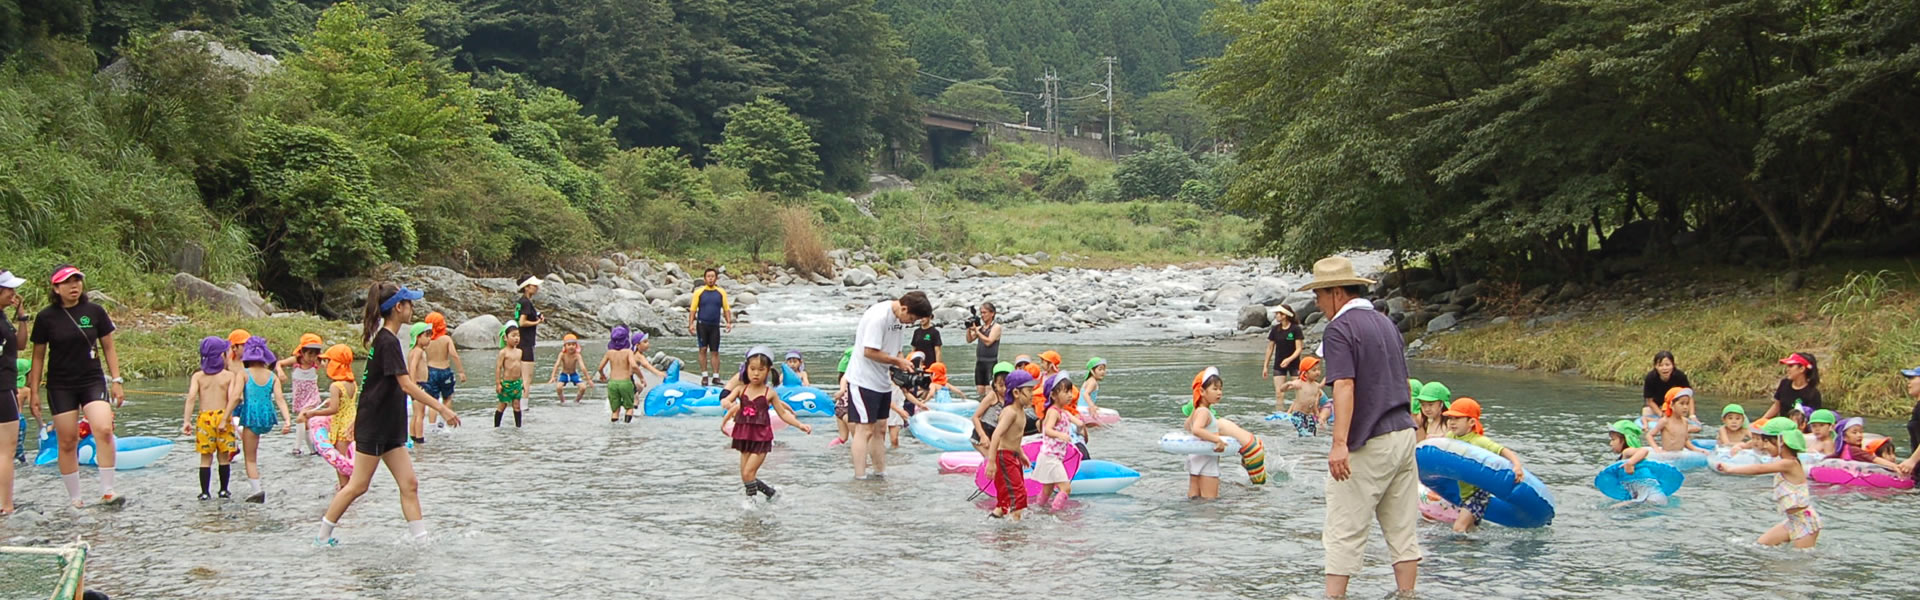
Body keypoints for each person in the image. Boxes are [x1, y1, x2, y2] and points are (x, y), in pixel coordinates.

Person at [1299, 256, 1420, 598]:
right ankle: (1407, 594)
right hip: (1404, 433)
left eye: (1320, 296)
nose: (1318, 304)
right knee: (1402, 531)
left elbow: (1345, 386)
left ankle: (1334, 597)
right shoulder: (1386, 324)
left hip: (1370, 440)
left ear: (1336, 292)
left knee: (1343, 529)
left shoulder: (1339, 328)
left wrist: (1339, 443)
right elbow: (1404, 382)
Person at [315, 282, 462, 545]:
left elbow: (372, 387)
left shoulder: (386, 340)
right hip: (376, 426)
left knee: (410, 484)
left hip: (390, 425)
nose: (412, 308)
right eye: (410, 303)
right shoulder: (387, 342)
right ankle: (322, 536)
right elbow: (406, 384)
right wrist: (441, 408)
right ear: (398, 307)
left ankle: (421, 542)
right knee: (358, 485)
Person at [25, 265, 130, 507]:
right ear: (56, 288)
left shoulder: (95, 311)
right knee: (68, 440)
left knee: (103, 428)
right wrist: (34, 391)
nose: (74, 286)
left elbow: (109, 347)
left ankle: (108, 490)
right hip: (60, 384)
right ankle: (75, 498)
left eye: (77, 281)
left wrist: (117, 380)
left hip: (92, 379)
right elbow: (38, 356)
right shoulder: (45, 317)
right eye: (68, 282)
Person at [842, 291, 936, 479]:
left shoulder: (899, 320)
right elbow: (869, 351)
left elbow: (897, 351)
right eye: (912, 318)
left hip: (883, 380)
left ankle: (879, 473)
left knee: (881, 428)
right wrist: (897, 362)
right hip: (863, 380)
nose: (911, 323)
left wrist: (904, 370)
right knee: (865, 429)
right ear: (903, 308)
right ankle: (859, 477)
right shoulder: (878, 317)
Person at [1713, 418, 1819, 548]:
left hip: (1805, 522)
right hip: (1792, 521)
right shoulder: (1783, 460)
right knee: (1759, 545)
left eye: (1767, 442)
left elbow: (1759, 469)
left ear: (1781, 442)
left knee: (1800, 563)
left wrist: (1731, 469)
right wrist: (1742, 446)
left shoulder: (1789, 463)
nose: (1763, 446)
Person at [721, 349, 812, 500]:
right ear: (746, 369)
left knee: (748, 473)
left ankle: (751, 504)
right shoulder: (740, 389)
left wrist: (799, 425)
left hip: (761, 438)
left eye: (761, 370)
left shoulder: (769, 393)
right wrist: (726, 404)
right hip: (743, 437)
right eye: (752, 369)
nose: (756, 373)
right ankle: (770, 493)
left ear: (768, 371)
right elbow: (728, 401)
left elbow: (783, 413)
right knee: (745, 475)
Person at [1440, 398, 1526, 532]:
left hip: (1477, 492)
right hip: (1463, 490)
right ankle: (1474, 549)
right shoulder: (1450, 436)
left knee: (1458, 528)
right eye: (1450, 418)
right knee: (1470, 529)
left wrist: (1517, 466)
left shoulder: (1479, 441)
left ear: (1471, 422)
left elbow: (1503, 450)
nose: (1451, 422)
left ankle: (1462, 552)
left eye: (1457, 418)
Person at [229, 337, 291, 503]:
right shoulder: (272, 376)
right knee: (253, 449)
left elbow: (235, 397)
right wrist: (287, 420)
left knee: (250, 458)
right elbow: (280, 399)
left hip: (251, 417)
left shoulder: (243, 374)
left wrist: (224, 416)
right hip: (267, 418)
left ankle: (257, 491)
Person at [181, 337, 240, 501]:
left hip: (205, 418)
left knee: (205, 458)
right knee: (223, 455)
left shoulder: (198, 376)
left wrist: (187, 421)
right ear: (221, 356)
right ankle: (223, 490)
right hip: (223, 415)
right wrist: (225, 419)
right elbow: (232, 399)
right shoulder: (228, 376)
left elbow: (191, 398)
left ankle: (205, 492)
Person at [299, 344, 359, 489]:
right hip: (351, 424)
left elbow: (334, 409)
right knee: (347, 458)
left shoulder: (335, 386)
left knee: (340, 461)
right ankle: (350, 487)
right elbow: (345, 403)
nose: (325, 365)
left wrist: (313, 413)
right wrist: (330, 401)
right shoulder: (352, 383)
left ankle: (345, 489)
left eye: (328, 361)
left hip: (340, 428)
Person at [984, 369, 1036, 520]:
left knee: (1006, 499)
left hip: (1012, 457)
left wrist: (1021, 454)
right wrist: (991, 462)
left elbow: (1013, 438)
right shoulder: (1010, 412)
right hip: (1003, 458)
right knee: (1018, 496)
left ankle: (995, 524)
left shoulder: (1021, 412)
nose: (1032, 394)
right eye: (1029, 390)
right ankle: (1016, 534)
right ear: (1016, 393)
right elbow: (996, 436)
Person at [0, 270, 30, 515]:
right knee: (6, 450)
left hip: (6, 386)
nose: (13, 293)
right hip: (2, 388)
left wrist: (21, 317)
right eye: (8, 289)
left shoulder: (3, 318)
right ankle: (6, 506)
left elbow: (20, 345)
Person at [1031, 373, 1079, 510]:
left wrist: (1082, 425)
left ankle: (1038, 509)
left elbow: (1077, 421)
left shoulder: (1063, 412)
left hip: (1052, 457)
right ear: (1053, 395)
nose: (1070, 395)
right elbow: (1048, 430)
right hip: (1050, 457)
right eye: (1066, 391)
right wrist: (1060, 435)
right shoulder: (1053, 412)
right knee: (1066, 488)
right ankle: (1055, 512)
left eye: (1070, 391)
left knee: (1048, 488)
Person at [1185, 368, 1230, 499]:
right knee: (1210, 502)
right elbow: (1197, 430)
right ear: (1202, 392)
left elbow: (1188, 426)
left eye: (1220, 389)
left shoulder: (1197, 410)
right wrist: (1217, 440)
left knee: (1194, 498)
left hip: (1196, 459)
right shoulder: (1204, 412)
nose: (1219, 393)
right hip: (1207, 461)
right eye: (1215, 389)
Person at [278, 334, 326, 456]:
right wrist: (280, 372)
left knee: (300, 418)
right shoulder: (296, 361)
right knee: (304, 424)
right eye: (309, 354)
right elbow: (279, 363)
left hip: (312, 398)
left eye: (315, 354)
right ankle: (314, 450)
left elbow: (331, 366)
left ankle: (296, 449)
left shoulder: (317, 363)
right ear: (302, 352)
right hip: (300, 399)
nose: (312, 358)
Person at [687, 268, 734, 387]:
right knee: (702, 349)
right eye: (708, 276)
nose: (710, 279)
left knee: (715, 351)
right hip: (702, 324)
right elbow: (693, 309)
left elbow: (726, 308)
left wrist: (729, 322)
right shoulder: (699, 292)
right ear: (704, 278)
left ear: (716, 278)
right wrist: (691, 324)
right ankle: (704, 375)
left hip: (715, 325)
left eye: (713, 276)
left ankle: (716, 377)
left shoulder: (720, 292)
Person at [418, 312, 464, 433]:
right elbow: (454, 355)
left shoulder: (426, 341)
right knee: (447, 398)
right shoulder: (446, 339)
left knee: (433, 400)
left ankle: (432, 427)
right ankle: (442, 423)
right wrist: (461, 372)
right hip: (445, 371)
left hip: (430, 371)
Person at [1604, 420, 1658, 507]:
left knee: (1611, 509)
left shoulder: (1627, 452)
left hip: (1649, 499)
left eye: (1613, 439)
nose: (1610, 443)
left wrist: (1630, 464)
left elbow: (1644, 451)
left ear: (1625, 439)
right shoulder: (1627, 457)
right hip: (1653, 497)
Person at [1827, 417, 1907, 474]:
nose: (1859, 435)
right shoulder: (1853, 450)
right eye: (1854, 432)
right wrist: (1895, 466)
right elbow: (1874, 459)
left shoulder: (1845, 448)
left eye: (1861, 432)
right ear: (1844, 437)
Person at [512, 276, 545, 413]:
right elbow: (522, 322)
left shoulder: (523, 302)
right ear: (527, 287)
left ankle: (517, 404)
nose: (537, 288)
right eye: (534, 285)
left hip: (520, 343)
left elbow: (528, 313)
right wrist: (537, 323)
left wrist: (538, 314)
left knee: (519, 377)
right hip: (526, 343)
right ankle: (523, 407)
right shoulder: (526, 302)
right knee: (527, 377)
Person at [1759, 352, 1822, 422]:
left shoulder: (1813, 394)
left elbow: (1812, 420)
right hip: (1781, 425)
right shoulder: (1784, 383)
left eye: (1791, 366)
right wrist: (1761, 420)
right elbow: (1777, 406)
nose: (1787, 369)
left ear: (1802, 369)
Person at [969, 362, 1016, 454]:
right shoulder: (993, 396)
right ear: (994, 384)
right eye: (1001, 385)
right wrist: (983, 436)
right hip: (984, 434)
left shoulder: (1013, 398)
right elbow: (975, 417)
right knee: (992, 460)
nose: (1004, 389)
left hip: (997, 434)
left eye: (1007, 385)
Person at [1265, 305, 1305, 408]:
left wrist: (1289, 359)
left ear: (1284, 315)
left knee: (1300, 391)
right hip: (1279, 363)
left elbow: (1299, 348)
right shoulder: (1275, 329)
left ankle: (1299, 411)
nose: (1276, 316)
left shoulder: (1295, 329)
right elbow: (1270, 348)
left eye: (1278, 314)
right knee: (1279, 393)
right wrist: (1265, 366)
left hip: (1294, 363)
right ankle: (1280, 412)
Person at [1281, 357, 1328, 437]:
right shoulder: (1299, 384)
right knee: (1303, 434)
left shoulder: (1316, 386)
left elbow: (1314, 404)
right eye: (1314, 370)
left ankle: (1307, 449)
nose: (1317, 372)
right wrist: (1288, 384)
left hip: (1309, 415)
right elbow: (1282, 389)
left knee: (1312, 435)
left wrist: (1319, 417)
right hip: (1298, 415)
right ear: (1305, 373)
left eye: (1318, 369)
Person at [965, 302, 1003, 398]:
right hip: (980, 363)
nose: (982, 315)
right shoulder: (981, 328)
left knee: (989, 392)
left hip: (990, 362)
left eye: (985, 313)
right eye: (981, 313)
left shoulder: (996, 327)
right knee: (980, 393)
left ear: (992, 313)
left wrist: (977, 332)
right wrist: (969, 329)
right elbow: (969, 340)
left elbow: (989, 341)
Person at [404, 323, 433, 443]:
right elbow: (413, 367)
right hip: (419, 384)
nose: (429, 338)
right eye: (427, 335)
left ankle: (413, 436)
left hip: (418, 384)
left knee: (416, 414)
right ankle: (420, 439)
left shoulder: (415, 351)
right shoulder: (417, 351)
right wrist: (414, 385)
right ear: (418, 337)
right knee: (420, 414)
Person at [1641, 351, 1692, 417]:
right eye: (1660, 365)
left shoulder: (1680, 376)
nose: (1664, 368)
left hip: (1674, 405)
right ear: (1656, 366)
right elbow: (1649, 401)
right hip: (1655, 406)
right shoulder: (1650, 378)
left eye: (1667, 365)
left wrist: (1692, 415)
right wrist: (1661, 414)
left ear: (1673, 365)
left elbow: (1689, 396)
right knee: (1646, 412)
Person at [548, 334, 591, 405]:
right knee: (559, 387)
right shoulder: (562, 354)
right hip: (564, 374)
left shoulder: (577, 355)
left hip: (573, 374)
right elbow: (557, 365)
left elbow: (583, 367)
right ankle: (563, 401)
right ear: (565, 346)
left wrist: (588, 379)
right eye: (569, 344)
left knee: (583, 387)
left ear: (576, 346)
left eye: (573, 344)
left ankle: (576, 401)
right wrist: (553, 377)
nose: (571, 346)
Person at [495, 324, 524, 428]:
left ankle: (518, 427)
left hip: (517, 383)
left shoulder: (520, 352)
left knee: (517, 406)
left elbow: (521, 367)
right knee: (502, 405)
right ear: (506, 338)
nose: (516, 338)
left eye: (518, 336)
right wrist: (498, 384)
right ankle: (496, 426)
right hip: (506, 384)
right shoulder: (503, 352)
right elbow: (498, 368)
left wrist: (523, 382)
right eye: (513, 335)